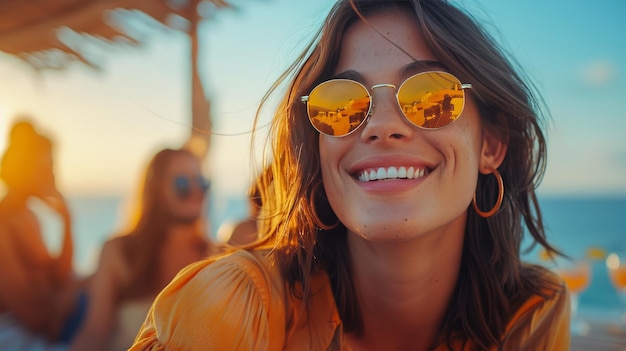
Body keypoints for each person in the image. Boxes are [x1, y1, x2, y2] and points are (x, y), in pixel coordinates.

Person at [130, 1, 570, 350]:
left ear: (491, 145)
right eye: (341, 104)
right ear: (318, 147)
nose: (380, 125)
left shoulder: (528, 315)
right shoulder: (232, 311)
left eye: (431, 95)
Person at [70, 148, 215, 351]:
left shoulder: (214, 258)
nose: (196, 191)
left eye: (202, 182)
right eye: (182, 183)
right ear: (156, 190)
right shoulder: (118, 251)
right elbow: (95, 333)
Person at [0, 119, 87, 350]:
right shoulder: (2, 224)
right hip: (18, 336)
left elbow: (59, 275)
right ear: (24, 171)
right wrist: (73, 289)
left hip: (49, 324)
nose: (53, 178)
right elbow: (37, 319)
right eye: (45, 170)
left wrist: (67, 220)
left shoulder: (28, 217)